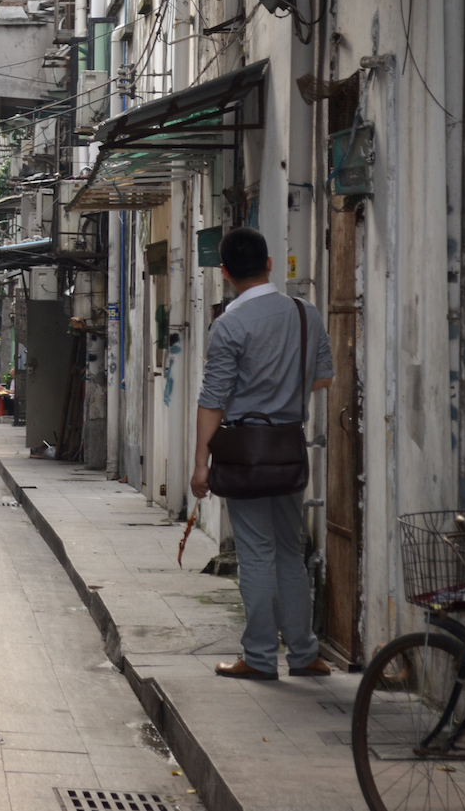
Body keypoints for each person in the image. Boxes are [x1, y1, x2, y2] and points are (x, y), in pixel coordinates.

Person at [190, 228, 334, 680]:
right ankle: (304, 654)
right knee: (291, 550)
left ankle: (257, 658)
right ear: (270, 264)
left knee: (256, 553)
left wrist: (201, 465)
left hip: (245, 451)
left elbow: (212, 400)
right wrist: (283, 393)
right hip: (289, 447)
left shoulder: (229, 324)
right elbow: (323, 378)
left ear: (226, 272)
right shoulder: (306, 313)